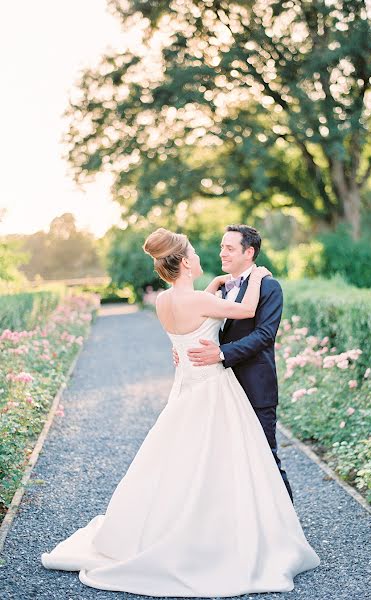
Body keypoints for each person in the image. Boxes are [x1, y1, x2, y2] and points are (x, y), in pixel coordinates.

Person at [41, 227, 320, 597]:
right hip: (213, 387)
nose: (214, 254)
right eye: (203, 251)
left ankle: (208, 526)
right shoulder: (218, 295)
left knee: (188, 462)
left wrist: (222, 287)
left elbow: (201, 325)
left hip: (191, 386)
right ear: (186, 261)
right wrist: (259, 275)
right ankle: (231, 536)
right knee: (224, 460)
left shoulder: (164, 301)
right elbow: (245, 311)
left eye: (227, 247)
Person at [175, 224, 293, 501]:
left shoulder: (268, 287)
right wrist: (183, 348)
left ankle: (287, 525)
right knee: (227, 464)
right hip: (219, 391)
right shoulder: (218, 288)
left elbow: (264, 335)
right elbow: (198, 324)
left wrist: (221, 354)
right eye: (221, 247)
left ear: (249, 252)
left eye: (229, 248)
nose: (222, 253)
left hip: (255, 388)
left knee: (265, 459)